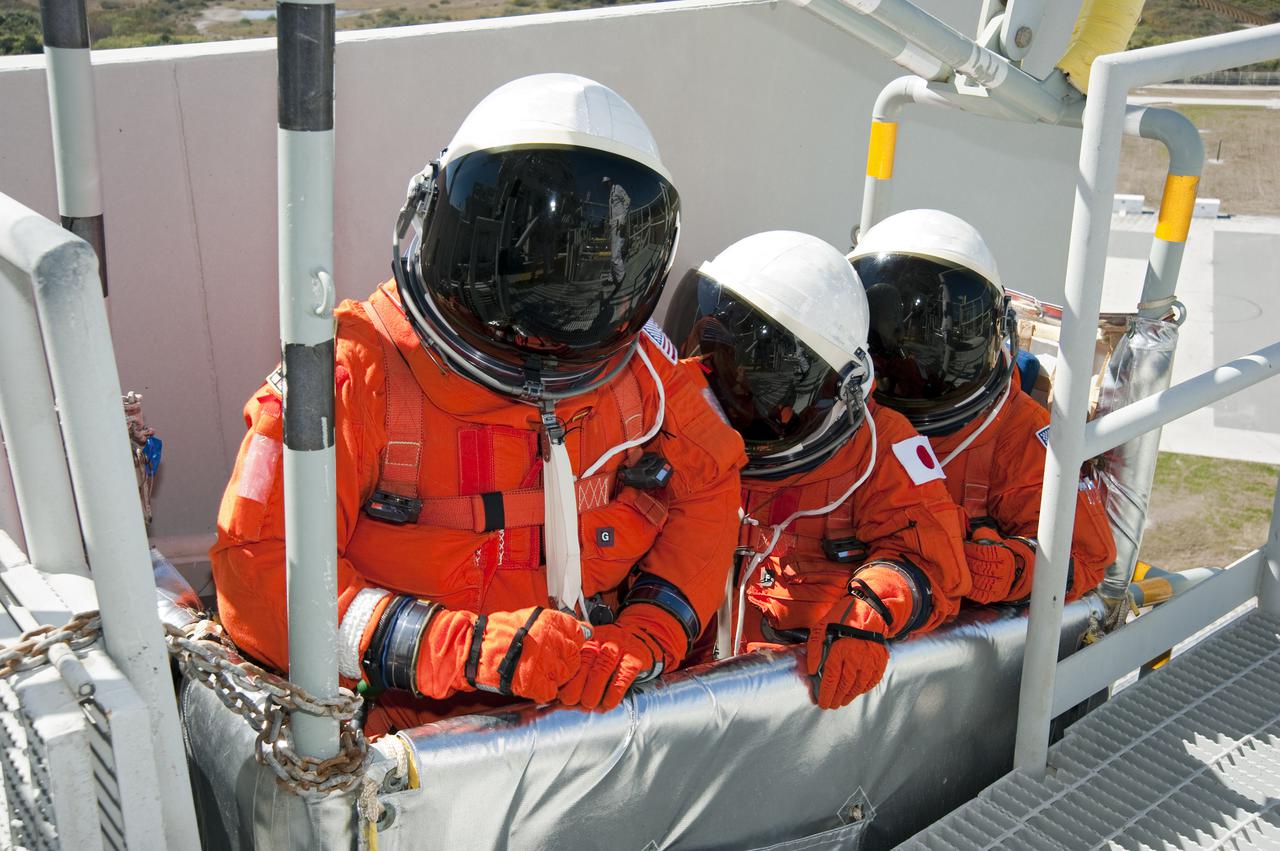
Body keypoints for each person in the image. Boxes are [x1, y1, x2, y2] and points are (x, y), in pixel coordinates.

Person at [211, 74, 745, 734]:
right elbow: (257, 571)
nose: (543, 326)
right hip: (396, 741)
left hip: (584, 718)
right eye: (530, 268)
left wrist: (648, 630)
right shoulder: (352, 370)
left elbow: (713, 485)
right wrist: (450, 647)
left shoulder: (649, 376)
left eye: (579, 277)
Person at [671, 231, 969, 710]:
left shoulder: (884, 449)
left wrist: (868, 612)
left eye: (759, 369)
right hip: (682, 688)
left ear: (841, 385)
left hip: (794, 704)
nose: (735, 386)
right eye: (725, 366)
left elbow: (931, 559)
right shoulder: (687, 440)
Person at [849, 209, 1116, 606]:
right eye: (896, 339)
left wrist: (1015, 567)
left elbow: (1088, 558)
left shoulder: (1019, 431)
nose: (915, 359)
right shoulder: (846, 423)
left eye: (931, 336)